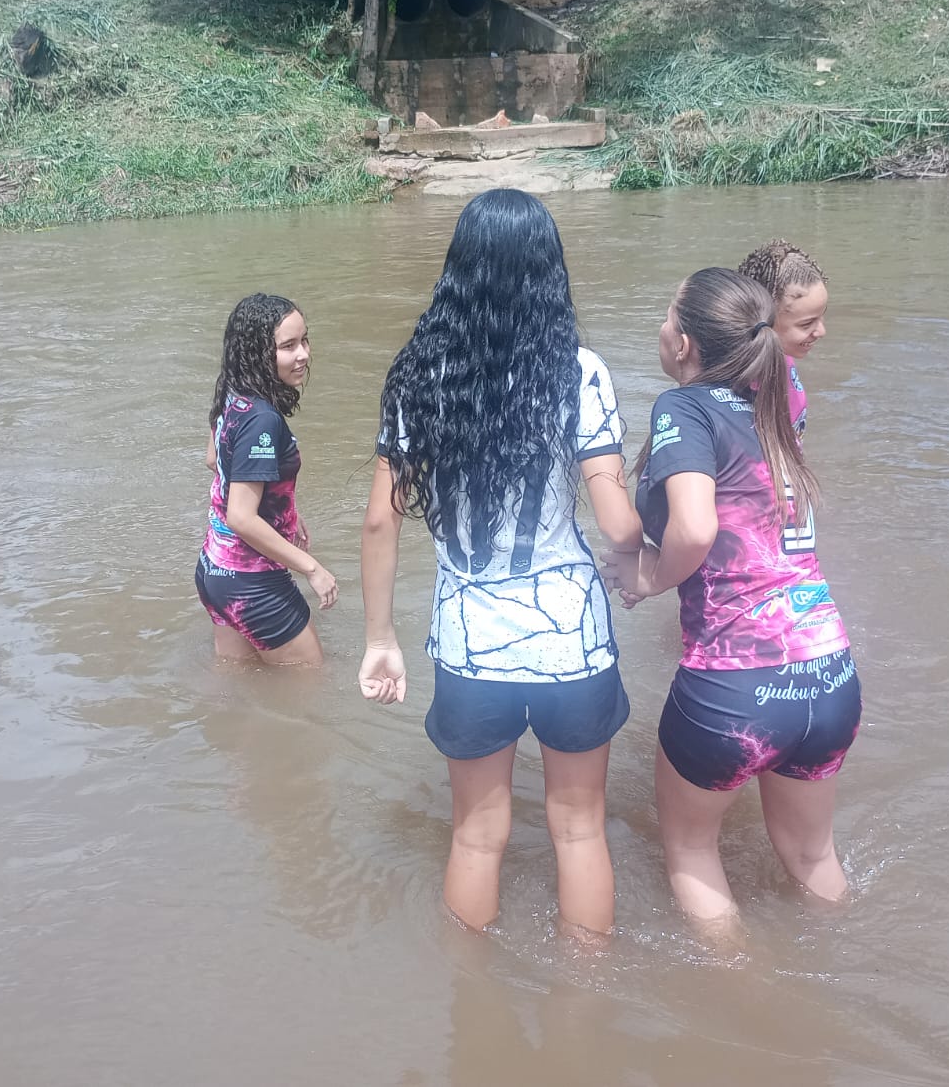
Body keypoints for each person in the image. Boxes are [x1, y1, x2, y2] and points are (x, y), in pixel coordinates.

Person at [356, 189, 643, 940]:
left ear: (459, 268)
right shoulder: (579, 373)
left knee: (476, 835)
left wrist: (380, 637)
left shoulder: (417, 377)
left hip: (469, 641)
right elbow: (617, 523)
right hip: (570, 639)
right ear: (550, 272)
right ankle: (586, 1005)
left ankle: (472, 1011)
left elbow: (380, 517)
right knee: (579, 831)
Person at [626, 266, 861, 931]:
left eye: (670, 315)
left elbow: (696, 528)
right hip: (830, 673)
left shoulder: (683, 408)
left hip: (735, 688)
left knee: (691, 852)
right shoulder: (779, 396)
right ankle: (839, 974)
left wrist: (649, 577)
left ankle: (745, 1001)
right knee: (813, 857)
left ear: (683, 345)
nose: (662, 326)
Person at [195, 293, 338, 666]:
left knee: (240, 691)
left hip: (214, 571)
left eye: (304, 340)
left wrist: (281, 507)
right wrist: (313, 569)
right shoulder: (263, 419)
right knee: (312, 696)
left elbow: (215, 459)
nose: (303, 354)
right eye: (288, 346)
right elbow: (241, 517)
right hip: (252, 583)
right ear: (259, 353)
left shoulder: (231, 392)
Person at [736, 240, 830, 440]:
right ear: (763, 320)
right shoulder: (743, 388)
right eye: (807, 324)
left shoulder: (782, 355)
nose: (821, 331)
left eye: (822, 316)